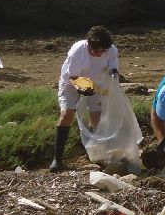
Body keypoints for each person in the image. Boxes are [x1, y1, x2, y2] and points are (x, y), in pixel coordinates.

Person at [50, 25, 120, 172]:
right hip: (72, 82)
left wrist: (114, 75)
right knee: (67, 114)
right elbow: (73, 77)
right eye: (96, 50)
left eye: (103, 51)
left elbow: (113, 67)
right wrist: (81, 89)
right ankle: (57, 158)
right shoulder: (77, 52)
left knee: (97, 117)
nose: (100, 54)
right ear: (89, 45)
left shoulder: (111, 50)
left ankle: (92, 153)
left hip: (97, 83)